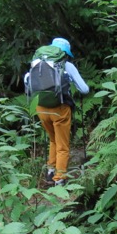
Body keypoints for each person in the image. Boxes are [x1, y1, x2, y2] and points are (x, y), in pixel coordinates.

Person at [30, 37, 89, 187]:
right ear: (65, 52)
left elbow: (27, 81)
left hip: (41, 108)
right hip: (60, 109)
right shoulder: (66, 65)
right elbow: (84, 89)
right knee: (63, 145)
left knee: (53, 140)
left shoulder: (37, 62)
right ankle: (60, 179)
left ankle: (50, 171)